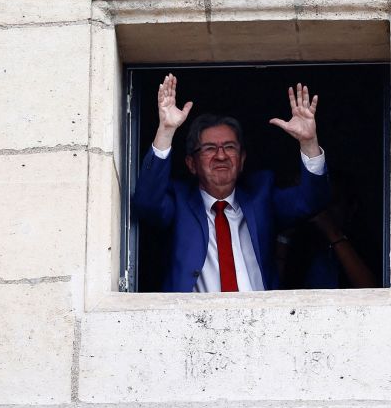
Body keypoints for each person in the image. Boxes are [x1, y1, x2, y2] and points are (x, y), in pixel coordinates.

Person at [132, 73, 331, 292]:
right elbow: (147, 204)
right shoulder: (179, 203)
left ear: (242, 159)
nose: (221, 156)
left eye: (229, 147)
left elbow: (313, 201)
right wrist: (166, 131)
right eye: (209, 148)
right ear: (191, 164)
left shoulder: (261, 197)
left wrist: (309, 142)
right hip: (192, 321)